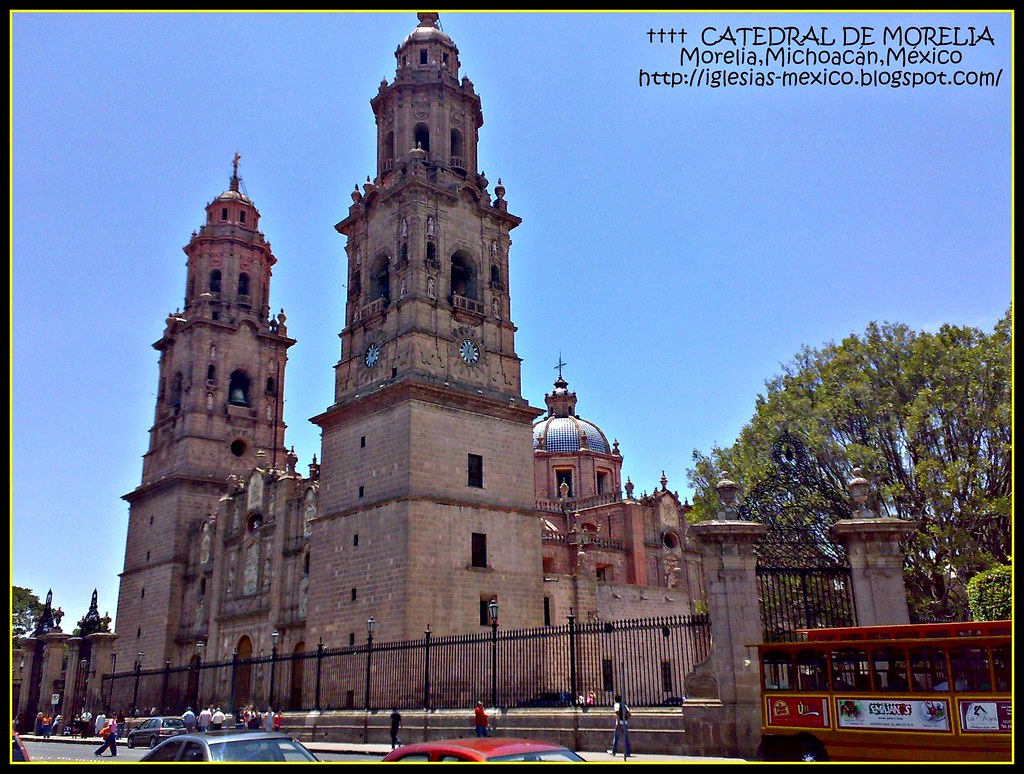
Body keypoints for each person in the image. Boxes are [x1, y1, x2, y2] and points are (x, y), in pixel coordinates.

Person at [609, 694, 632, 759]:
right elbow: (629, 714)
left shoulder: (616, 705)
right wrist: (625, 718)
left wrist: (619, 721)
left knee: (616, 737)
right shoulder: (624, 705)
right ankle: (628, 752)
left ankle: (614, 751)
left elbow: (617, 712)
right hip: (625, 723)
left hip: (619, 723)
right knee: (626, 738)